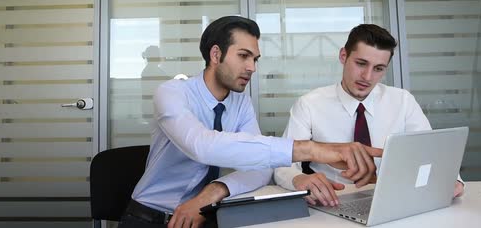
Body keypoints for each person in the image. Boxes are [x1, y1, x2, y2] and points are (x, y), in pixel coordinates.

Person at [119, 16, 383, 228]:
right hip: (149, 216)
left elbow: (260, 168)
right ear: (215, 54)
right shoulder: (172, 93)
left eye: (254, 59)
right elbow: (201, 146)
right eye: (243, 56)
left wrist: (214, 191)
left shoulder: (240, 102)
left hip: (205, 213)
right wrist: (313, 149)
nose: (252, 68)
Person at [273, 24, 465, 208]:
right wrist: (300, 179)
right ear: (343, 56)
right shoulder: (309, 104)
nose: (367, 77)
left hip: (395, 197)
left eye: (378, 68)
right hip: (334, 199)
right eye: (361, 63)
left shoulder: (403, 101)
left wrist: (453, 180)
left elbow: (431, 151)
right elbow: (281, 163)